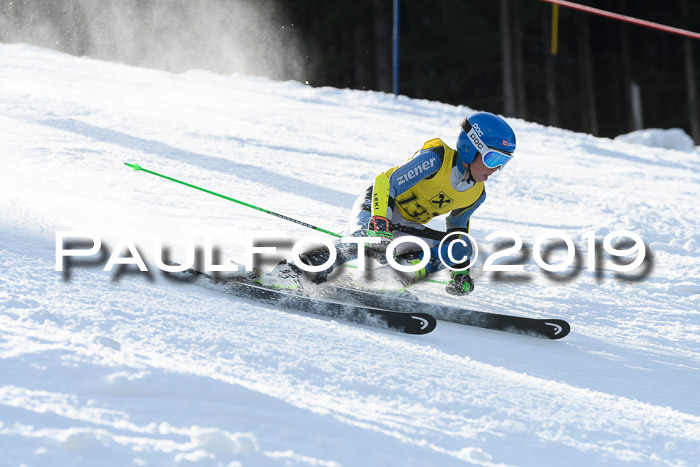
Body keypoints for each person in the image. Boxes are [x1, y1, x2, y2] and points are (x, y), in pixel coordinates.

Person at [262, 111, 517, 296]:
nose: (496, 169)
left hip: (406, 227)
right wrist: (380, 220)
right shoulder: (436, 160)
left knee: (461, 248)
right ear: (472, 148)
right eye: (493, 159)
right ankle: (296, 271)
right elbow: (386, 183)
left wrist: (460, 271)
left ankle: (387, 283)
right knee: (370, 239)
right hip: (377, 208)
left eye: (503, 162)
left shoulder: (476, 194)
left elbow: (458, 229)